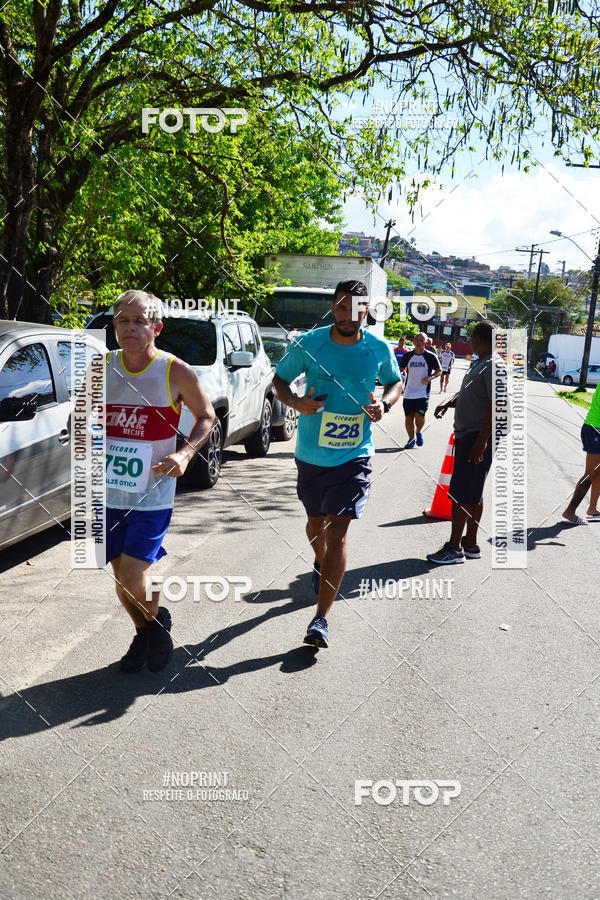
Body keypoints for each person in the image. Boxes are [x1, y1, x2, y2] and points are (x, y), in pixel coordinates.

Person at [272, 279, 403, 648]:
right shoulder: (309, 344)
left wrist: (385, 405)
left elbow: (396, 382)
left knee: (337, 533)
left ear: (367, 310)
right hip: (311, 455)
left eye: (357, 308)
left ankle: (321, 619)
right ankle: (320, 561)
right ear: (333, 308)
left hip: (355, 453)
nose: (349, 315)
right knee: (316, 525)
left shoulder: (377, 348)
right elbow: (279, 381)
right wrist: (296, 403)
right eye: (343, 307)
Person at [101, 290, 215, 672]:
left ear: (156, 327)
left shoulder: (175, 371)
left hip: (151, 494)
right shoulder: (101, 368)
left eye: (140, 321)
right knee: (121, 579)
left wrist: (184, 453)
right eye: (123, 321)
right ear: (114, 326)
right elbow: (83, 418)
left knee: (134, 575)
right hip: (107, 493)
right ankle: (148, 629)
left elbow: (207, 417)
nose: (131, 328)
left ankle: (151, 628)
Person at [426, 320, 505, 564]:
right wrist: (450, 401)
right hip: (470, 434)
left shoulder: (493, 365)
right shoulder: (481, 362)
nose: (470, 341)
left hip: (477, 435)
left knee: (461, 493)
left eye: (472, 337)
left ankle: (454, 547)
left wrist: (482, 440)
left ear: (479, 339)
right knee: (473, 490)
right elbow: (472, 393)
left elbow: (496, 404)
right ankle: (470, 544)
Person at [562, 381, 600, 523]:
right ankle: (569, 511)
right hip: (595, 430)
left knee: (597, 473)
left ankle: (592, 508)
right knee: (590, 474)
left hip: (593, 429)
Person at [398, 332, 441, 448]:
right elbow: (400, 369)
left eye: (421, 340)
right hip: (408, 392)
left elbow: (439, 370)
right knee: (409, 417)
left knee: (419, 416)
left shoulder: (430, 356)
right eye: (416, 339)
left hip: (423, 393)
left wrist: (430, 377)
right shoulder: (407, 356)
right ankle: (411, 439)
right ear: (413, 341)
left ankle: (419, 431)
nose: (418, 342)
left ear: (425, 342)